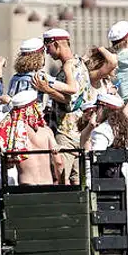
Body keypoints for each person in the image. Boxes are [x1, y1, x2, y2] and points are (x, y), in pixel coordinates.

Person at [34, 28, 93, 184]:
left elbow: (70, 97)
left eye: (48, 47)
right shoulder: (79, 63)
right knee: (78, 181)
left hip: (66, 132)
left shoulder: (68, 66)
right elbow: (70, 99)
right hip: (81, 132)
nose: (48, 52)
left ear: (56, 44)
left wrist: (47, 88)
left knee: (59, 178)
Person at [0, 89, 57, 186]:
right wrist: (60, 181)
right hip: (48, 184)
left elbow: (6, 163)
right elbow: (58, 162)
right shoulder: (46, 131)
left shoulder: (12, 133)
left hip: (25, 184)